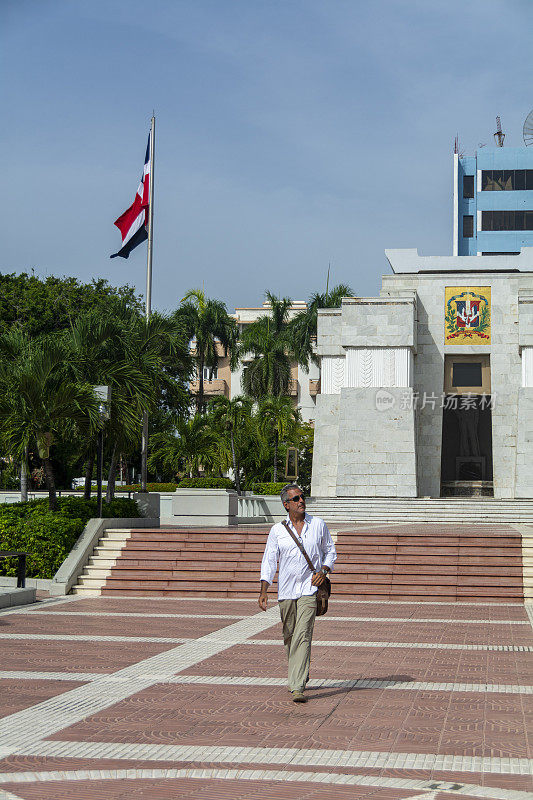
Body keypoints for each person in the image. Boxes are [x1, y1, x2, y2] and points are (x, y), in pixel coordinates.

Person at [258, 483, 337, 703]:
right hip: (286, 591)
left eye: (302, 497)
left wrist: (324, 570)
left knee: (303, 634)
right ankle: (301, 670)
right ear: (286, 505)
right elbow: (269, 561)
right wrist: (264, 590)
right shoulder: (277, 531)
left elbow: (330, 551)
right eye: (296, 499)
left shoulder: (318, 524)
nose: (301, 501)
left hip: (309, 588)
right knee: (290, 635)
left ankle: (297, 685)